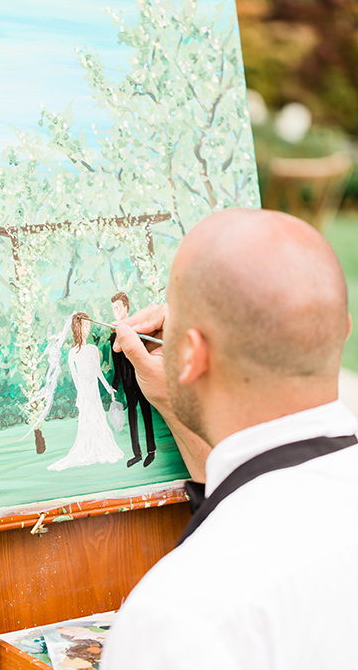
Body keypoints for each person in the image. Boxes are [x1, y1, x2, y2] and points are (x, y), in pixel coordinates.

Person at [101, 208, 358, 669]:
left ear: (193, 354)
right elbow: (252, 485)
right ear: (341, 330)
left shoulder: (176, 619)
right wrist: (176, 399)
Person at [48, 312, 124, 471]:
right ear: (78, 328)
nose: (88, 329)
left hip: (93, 389)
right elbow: (75, 377)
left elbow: (98, 371)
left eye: (89, 326)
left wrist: (108, 387)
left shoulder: (93, 349)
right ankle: (88, 449)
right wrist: (79, 395)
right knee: (87, 419)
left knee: (98, 417)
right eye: (86, 326)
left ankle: (102, 447)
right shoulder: (72, 354)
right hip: (84, 390)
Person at [110, 291, 156, 468]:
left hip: (141, 379)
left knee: (146, 412)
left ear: (126, 309)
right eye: (113, 309)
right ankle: (137, 453)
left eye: (118, 308)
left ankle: (151, 451)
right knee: (132, 416)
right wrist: (115, 384)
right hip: (128, 384)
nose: (115, 312)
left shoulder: (136, 331)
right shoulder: (114, 336)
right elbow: (116, 363)